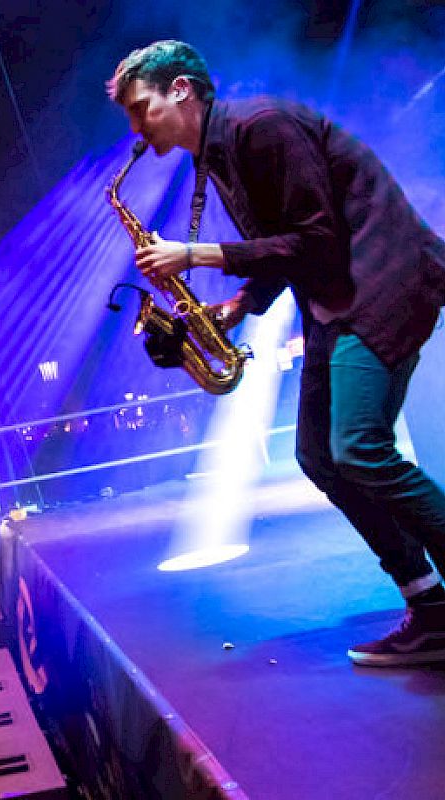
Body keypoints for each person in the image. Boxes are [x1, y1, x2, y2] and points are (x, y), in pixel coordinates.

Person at [108, 39, 445, 666]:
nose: (134, 127)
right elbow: (284, 245)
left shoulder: (263, 129)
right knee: (319, 455)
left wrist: (197, 255)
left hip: (383, 280)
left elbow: (316, 239)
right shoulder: (216, 156)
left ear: (181, 89)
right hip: (336, 298)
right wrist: (237, 308)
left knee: (360, 450)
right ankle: (430, 606)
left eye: (140, 107)